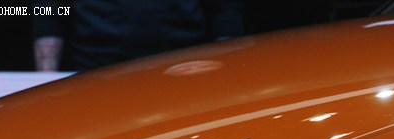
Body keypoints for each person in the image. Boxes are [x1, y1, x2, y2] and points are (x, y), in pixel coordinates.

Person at [33, 0, 244, 71]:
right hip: (96, 72)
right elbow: (49, 9)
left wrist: (227, 73)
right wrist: (45, 78)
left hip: (183, 69)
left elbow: (225, 9)